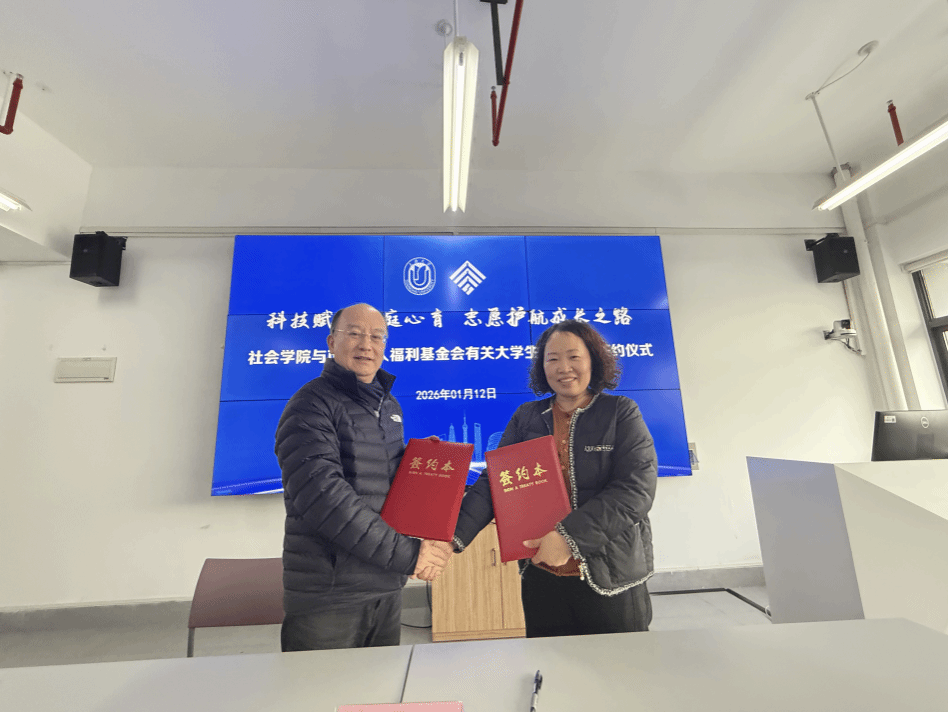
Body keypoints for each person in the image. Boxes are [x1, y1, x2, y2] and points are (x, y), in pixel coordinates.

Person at [452, 319, 658, 637]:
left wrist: (566, 539)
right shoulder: (527, 417)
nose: (564, 368)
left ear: (593, 360)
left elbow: (635, 491)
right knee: (551, 665)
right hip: (542, 575)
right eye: (552, 359)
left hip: (611, 574)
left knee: (620, 666)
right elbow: (495, 482)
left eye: (574, 357)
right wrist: (452, 537)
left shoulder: (620, 412)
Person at [275, 302, 453, 651]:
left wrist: (423, 465)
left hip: (385, 585)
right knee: (322, 685)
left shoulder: (388, 406)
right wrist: (408, 555)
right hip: (330, 595)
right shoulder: (310, 405)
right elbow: (326, 499)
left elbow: (381, 481)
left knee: (382, 684)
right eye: (354, 334)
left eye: (376, 336)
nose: (366, 345)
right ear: (332, 341)